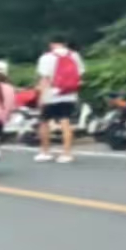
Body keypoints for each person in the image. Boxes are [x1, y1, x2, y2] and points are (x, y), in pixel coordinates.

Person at [35, 35, 84, 163]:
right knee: (65, 122)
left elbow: (44, 79)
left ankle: (45, 152)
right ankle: (66, 154)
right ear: (65, 43)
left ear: (51, 44)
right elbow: (80, 75)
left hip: (51, 95)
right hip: (69, 94)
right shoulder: (75, 55)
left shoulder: (46, 57)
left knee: (44, 122)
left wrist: (41, 97)